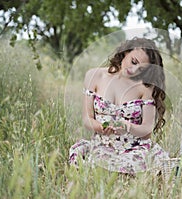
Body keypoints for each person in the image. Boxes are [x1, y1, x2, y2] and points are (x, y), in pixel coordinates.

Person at [68, 37, 169, 175]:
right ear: (125, 52)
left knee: (134, 164)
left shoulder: (145, 87)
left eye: (141, 69)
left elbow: (147, 130)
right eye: (133, 62)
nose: (133, 70)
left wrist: (128, 127)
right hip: (103, 144)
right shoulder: (93, 76)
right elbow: (87, 119)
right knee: (93, 162)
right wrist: (102, 128)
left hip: (134, 148)